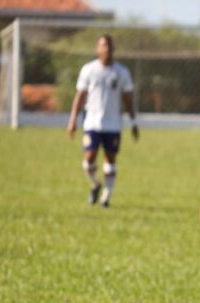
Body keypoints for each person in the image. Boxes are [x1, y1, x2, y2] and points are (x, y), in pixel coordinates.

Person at [67, 34, 138, 208]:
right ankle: (95, 184)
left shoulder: (121, 72)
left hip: (113, 124)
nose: (107, 49)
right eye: (103, 45)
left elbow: (128, 99)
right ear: (97, 49)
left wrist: (133, 122)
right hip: (91, 123)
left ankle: (106, 197)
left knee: (110, 160)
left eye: (109, 46)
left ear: (113, 49)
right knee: (89, 158)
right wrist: (72, 119)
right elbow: (80, 96)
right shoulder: (89, 70)